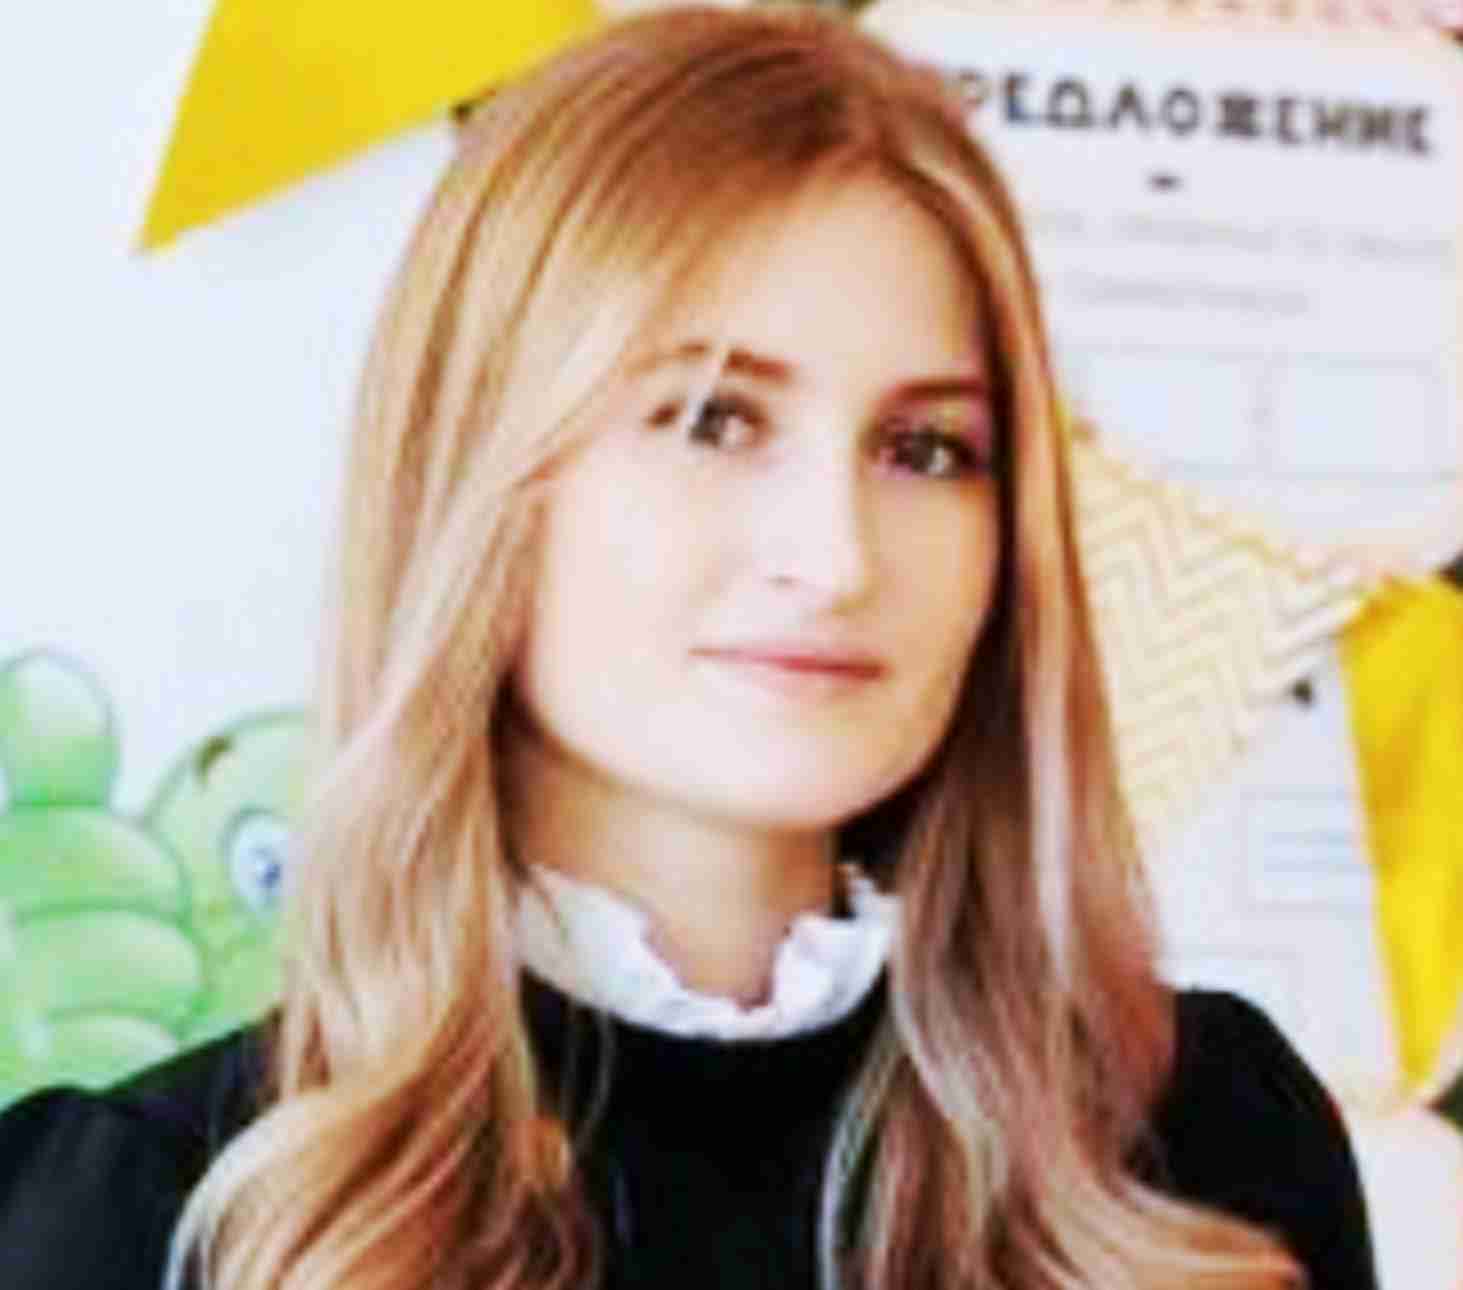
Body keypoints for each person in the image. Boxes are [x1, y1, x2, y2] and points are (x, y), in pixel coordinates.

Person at [0, 6, 1378, 1289]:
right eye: (715, 419)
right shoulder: (153, 1209)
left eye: (924, 449)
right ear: (481, 479)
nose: (835, 556)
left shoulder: (1208, 1146)